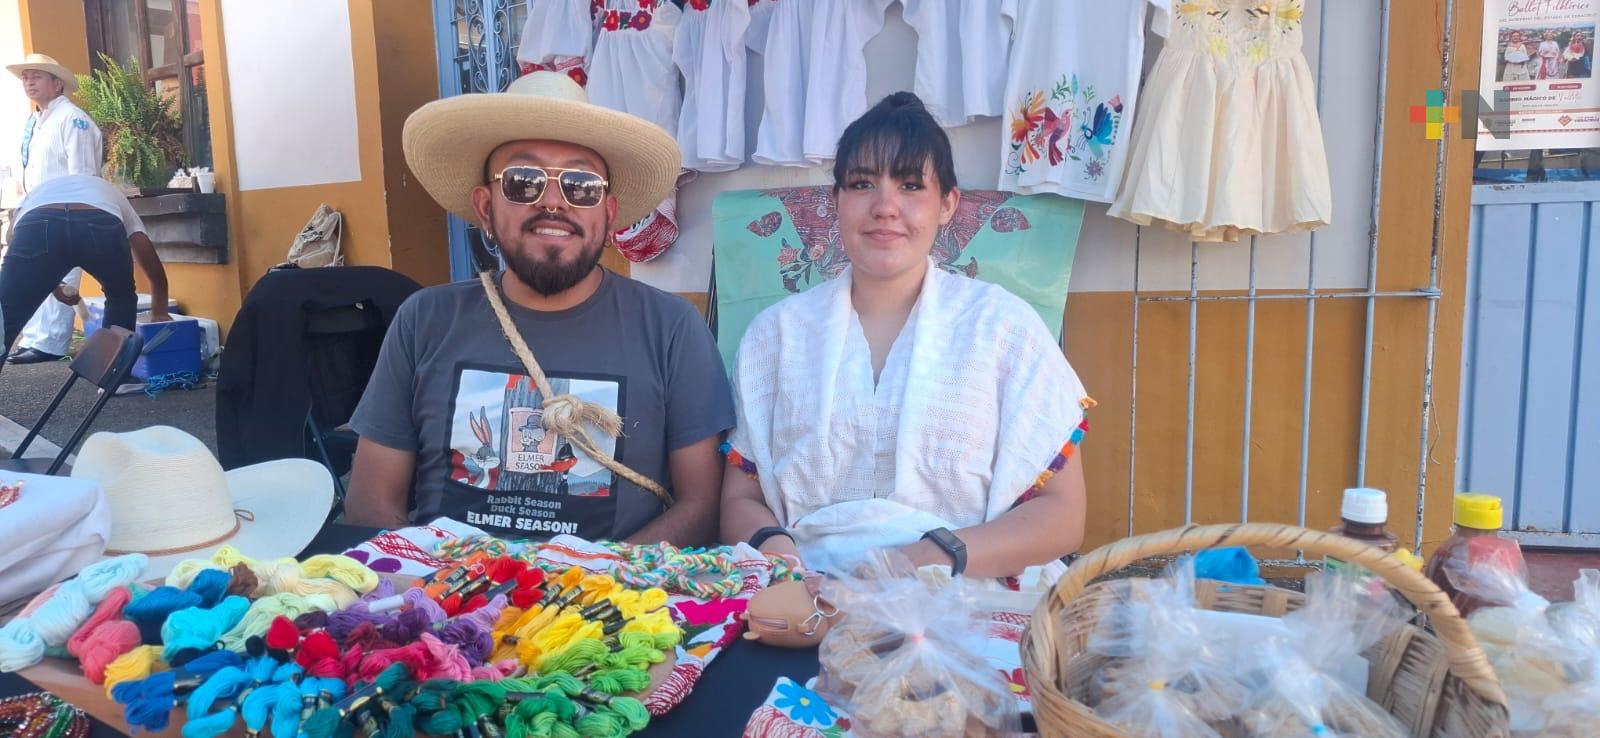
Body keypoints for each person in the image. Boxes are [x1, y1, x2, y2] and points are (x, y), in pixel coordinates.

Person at [345, 72, 734, 546]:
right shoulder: (424, 320)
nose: (553, 202)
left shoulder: (671, 329)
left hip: (613, 589)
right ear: (485, 208)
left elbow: (703, 506)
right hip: (445, 587)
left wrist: (588, 578)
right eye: (523, 181)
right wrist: (434, 580)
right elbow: (371, 501)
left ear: (608, 213)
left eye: (581, 184)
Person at [719, 92, 1090, 583]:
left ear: (947, 204)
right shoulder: (775, 336)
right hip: (803, 590)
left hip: (964, 588)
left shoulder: (1004, 328)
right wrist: (781, 557)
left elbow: (1062, 513)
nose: (885, 207)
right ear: (835, 201)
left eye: (911, 185)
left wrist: (922, 561)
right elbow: (740, 498)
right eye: (862, 184)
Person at [5, 53, 104, 365]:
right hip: (37, 210)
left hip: (66, 211)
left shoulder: (73, 119)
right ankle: (36, 339)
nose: (29, 82)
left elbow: (82, 174)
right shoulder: (36, 121)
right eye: (26, 77)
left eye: (37, 76)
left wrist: (76, 214)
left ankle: (50, 343)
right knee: (37, 276)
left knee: (60, 274)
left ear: (58, 84)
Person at [0, 174, 169, 356]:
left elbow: (12, 238)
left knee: (5, 313)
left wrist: (53, 284)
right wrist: (159, 311)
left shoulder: (34, 195)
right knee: (121, 297)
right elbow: (145, 249)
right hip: (99, 221)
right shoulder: (111, 193)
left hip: (37, 222)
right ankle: (114, 370)